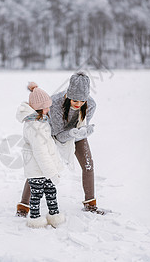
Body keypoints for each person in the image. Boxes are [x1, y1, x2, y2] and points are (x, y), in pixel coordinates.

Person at [16, 71, 105, 217]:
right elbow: (59, 135)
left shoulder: (91, 105)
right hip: (52, 135)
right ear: (68, 95)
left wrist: (84, 132)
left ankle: (90, 204)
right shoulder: (55, 103)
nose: (78, 104)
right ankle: (23, 206)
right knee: (38, 167)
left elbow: (82, 125)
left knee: (88, 165)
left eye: (82, 101)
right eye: (75, 100)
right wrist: (72, 133)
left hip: (77, 135)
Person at [16, 82, 65, 228]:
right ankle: (35, 219)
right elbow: (40, 152)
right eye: (46, 107)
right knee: (36, 195)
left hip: (43, 167)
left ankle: (54, 214)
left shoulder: (40, 121)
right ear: (38, 108)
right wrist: (52, 172)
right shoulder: (34, 126)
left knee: (51, 191)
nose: (49, 109)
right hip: (37, 169)